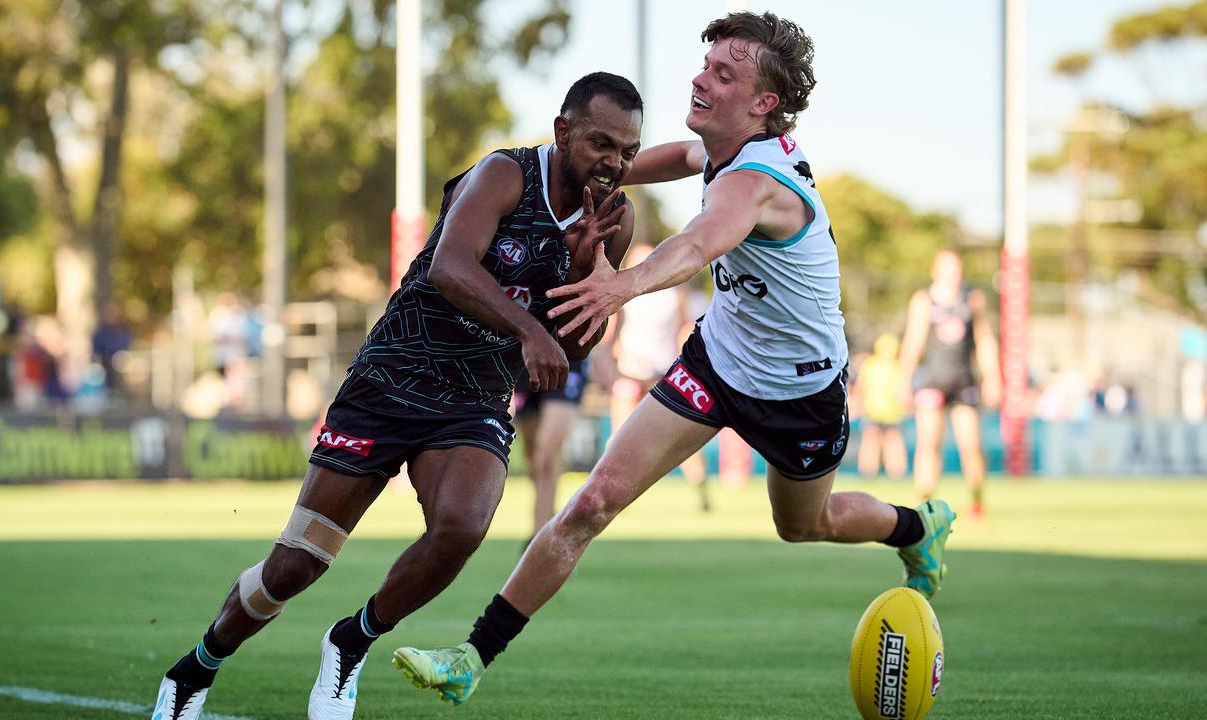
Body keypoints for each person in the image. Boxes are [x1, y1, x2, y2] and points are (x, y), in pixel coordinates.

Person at [392, 12, 957, 707]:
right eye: (706, 63)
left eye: (725, 73)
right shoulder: (718, 153)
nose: (701, 77)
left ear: (763, 105)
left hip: (800, 391)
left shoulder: (754, 183)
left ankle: (916, 525)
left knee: (804, 524)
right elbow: (652, 164)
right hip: (717, 362)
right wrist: (570, 160)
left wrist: (615, 288)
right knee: (592, 502)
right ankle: (471, 656)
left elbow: (695, 245)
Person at [148, 71, 642, 720]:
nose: (614, 163)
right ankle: (196, 667)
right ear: (562, 131)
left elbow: (568, 351)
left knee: (462, 527)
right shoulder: (504, 175)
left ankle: (351, 641)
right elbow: (449, 267)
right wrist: (528, 329)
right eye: (601, 143)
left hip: (472, 399)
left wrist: (582, 270)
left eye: (628, 152)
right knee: (295, 568)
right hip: (391, 379)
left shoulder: (614, 220)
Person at [603, 242, 710, 510]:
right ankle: (609, 492)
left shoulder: (674, 291)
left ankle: (701, 489)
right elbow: (612, 336)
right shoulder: (628, 292)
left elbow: (685, 327)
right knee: (621, 435)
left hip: (663, 368)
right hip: (633, 369)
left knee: (678, 437)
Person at [897, 248, 1000, 517]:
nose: (951, 274)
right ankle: (925, 505)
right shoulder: (924, 300)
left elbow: (985, 340)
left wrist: (992, 378)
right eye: (945, 268)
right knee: (928, 444)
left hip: (963, 381)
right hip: (932, 381)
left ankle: (977, 503)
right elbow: (913, 341)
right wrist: (904, 379)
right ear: (935, 271)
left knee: (972, 446)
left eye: (955, 268)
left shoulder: (973, 299)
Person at [511, 358, 590, 540]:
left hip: (569, 357)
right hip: (524, 358)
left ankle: (541, 537)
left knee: (546, 455)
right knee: (533, 457)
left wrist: (605, 350)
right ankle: (548, 517)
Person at [852, 333, 908, 480]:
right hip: (892, 411)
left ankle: (868, 473)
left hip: (873, 409)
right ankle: (896, 473)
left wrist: (858, 404)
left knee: (871, 441)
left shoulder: (870, 364)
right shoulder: (898, 366)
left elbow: (860, 387)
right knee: (893, 442)